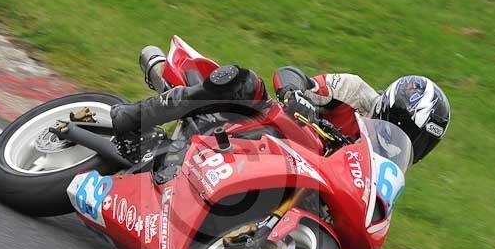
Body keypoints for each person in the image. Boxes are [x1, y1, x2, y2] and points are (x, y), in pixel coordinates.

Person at [109, 49, 450, 163]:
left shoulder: (385, 168)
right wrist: (294, 94)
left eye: (417, 140)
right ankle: (133, 117)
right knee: (242, 80)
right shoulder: (357, 92)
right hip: (274, 130)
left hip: (298, 173)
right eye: (405, 129)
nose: (405, 141)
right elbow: (291, 75)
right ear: (390, 108)